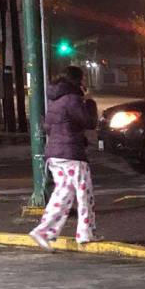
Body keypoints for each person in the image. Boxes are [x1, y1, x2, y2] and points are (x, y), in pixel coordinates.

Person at [29, 66, 98, 250]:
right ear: (77, 80)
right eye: (83, 79)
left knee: (63, 193)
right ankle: (85, 233)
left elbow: (49, 128)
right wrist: (90, 102)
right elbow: (90, 122)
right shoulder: (73, 100)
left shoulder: (56, 101)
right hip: (72, 154)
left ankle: (44, 231)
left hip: (55, 154)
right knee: (85, 193)